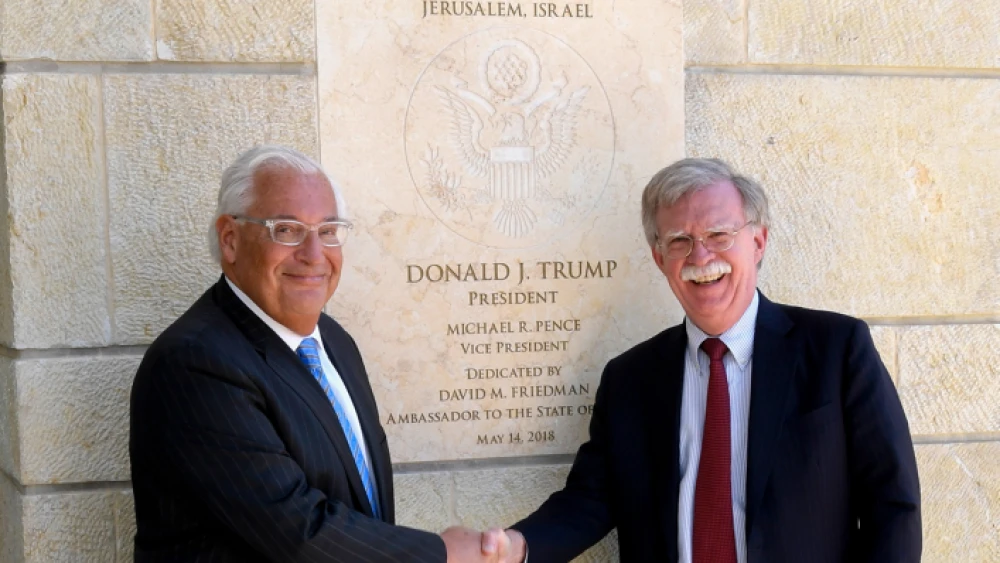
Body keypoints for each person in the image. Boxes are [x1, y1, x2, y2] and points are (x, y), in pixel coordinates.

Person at [500, 158, 921, 562]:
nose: (700, 257)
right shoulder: (630, 379)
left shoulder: (837, 348)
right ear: (660, 258)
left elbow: (893, 503)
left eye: (719, 234)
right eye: (680, 240)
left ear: (758, 241)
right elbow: (590, 500)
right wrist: (514, 548)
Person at [129, 145, 508, 562]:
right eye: (287, 229)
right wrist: (440, 553)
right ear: (230, 239)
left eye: (328, 231)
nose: (313, 255)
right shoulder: (195, 362)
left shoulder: (334, 342)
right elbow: (297, 529)